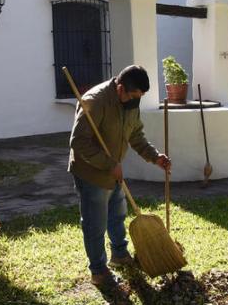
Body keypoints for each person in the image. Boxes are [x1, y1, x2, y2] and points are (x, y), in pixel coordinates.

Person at [68, 65, 171, 287]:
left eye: (141, 97)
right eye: (134, 96)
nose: (137, 101)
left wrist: (155, 157)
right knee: (95, 223)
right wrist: (108, 164)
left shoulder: (131, 102)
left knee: (117, 212)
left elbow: (135, 134)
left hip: (114, 169)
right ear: (121, 88)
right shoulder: (95, 102)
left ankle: (120, 255)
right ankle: (98, 271)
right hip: (91, 172)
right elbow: (78, 142)